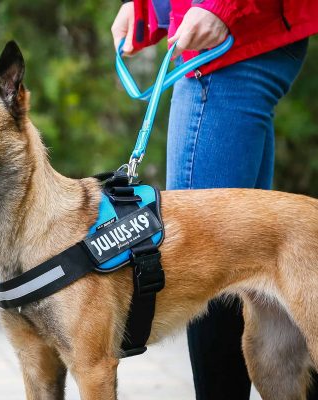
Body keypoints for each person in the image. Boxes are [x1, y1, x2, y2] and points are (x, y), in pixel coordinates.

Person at [111, 1, 318, 399]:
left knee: (199, 264)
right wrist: (150, 9)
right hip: (246, 37)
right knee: (245, 272)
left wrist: (218, 5)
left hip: (227, 50)